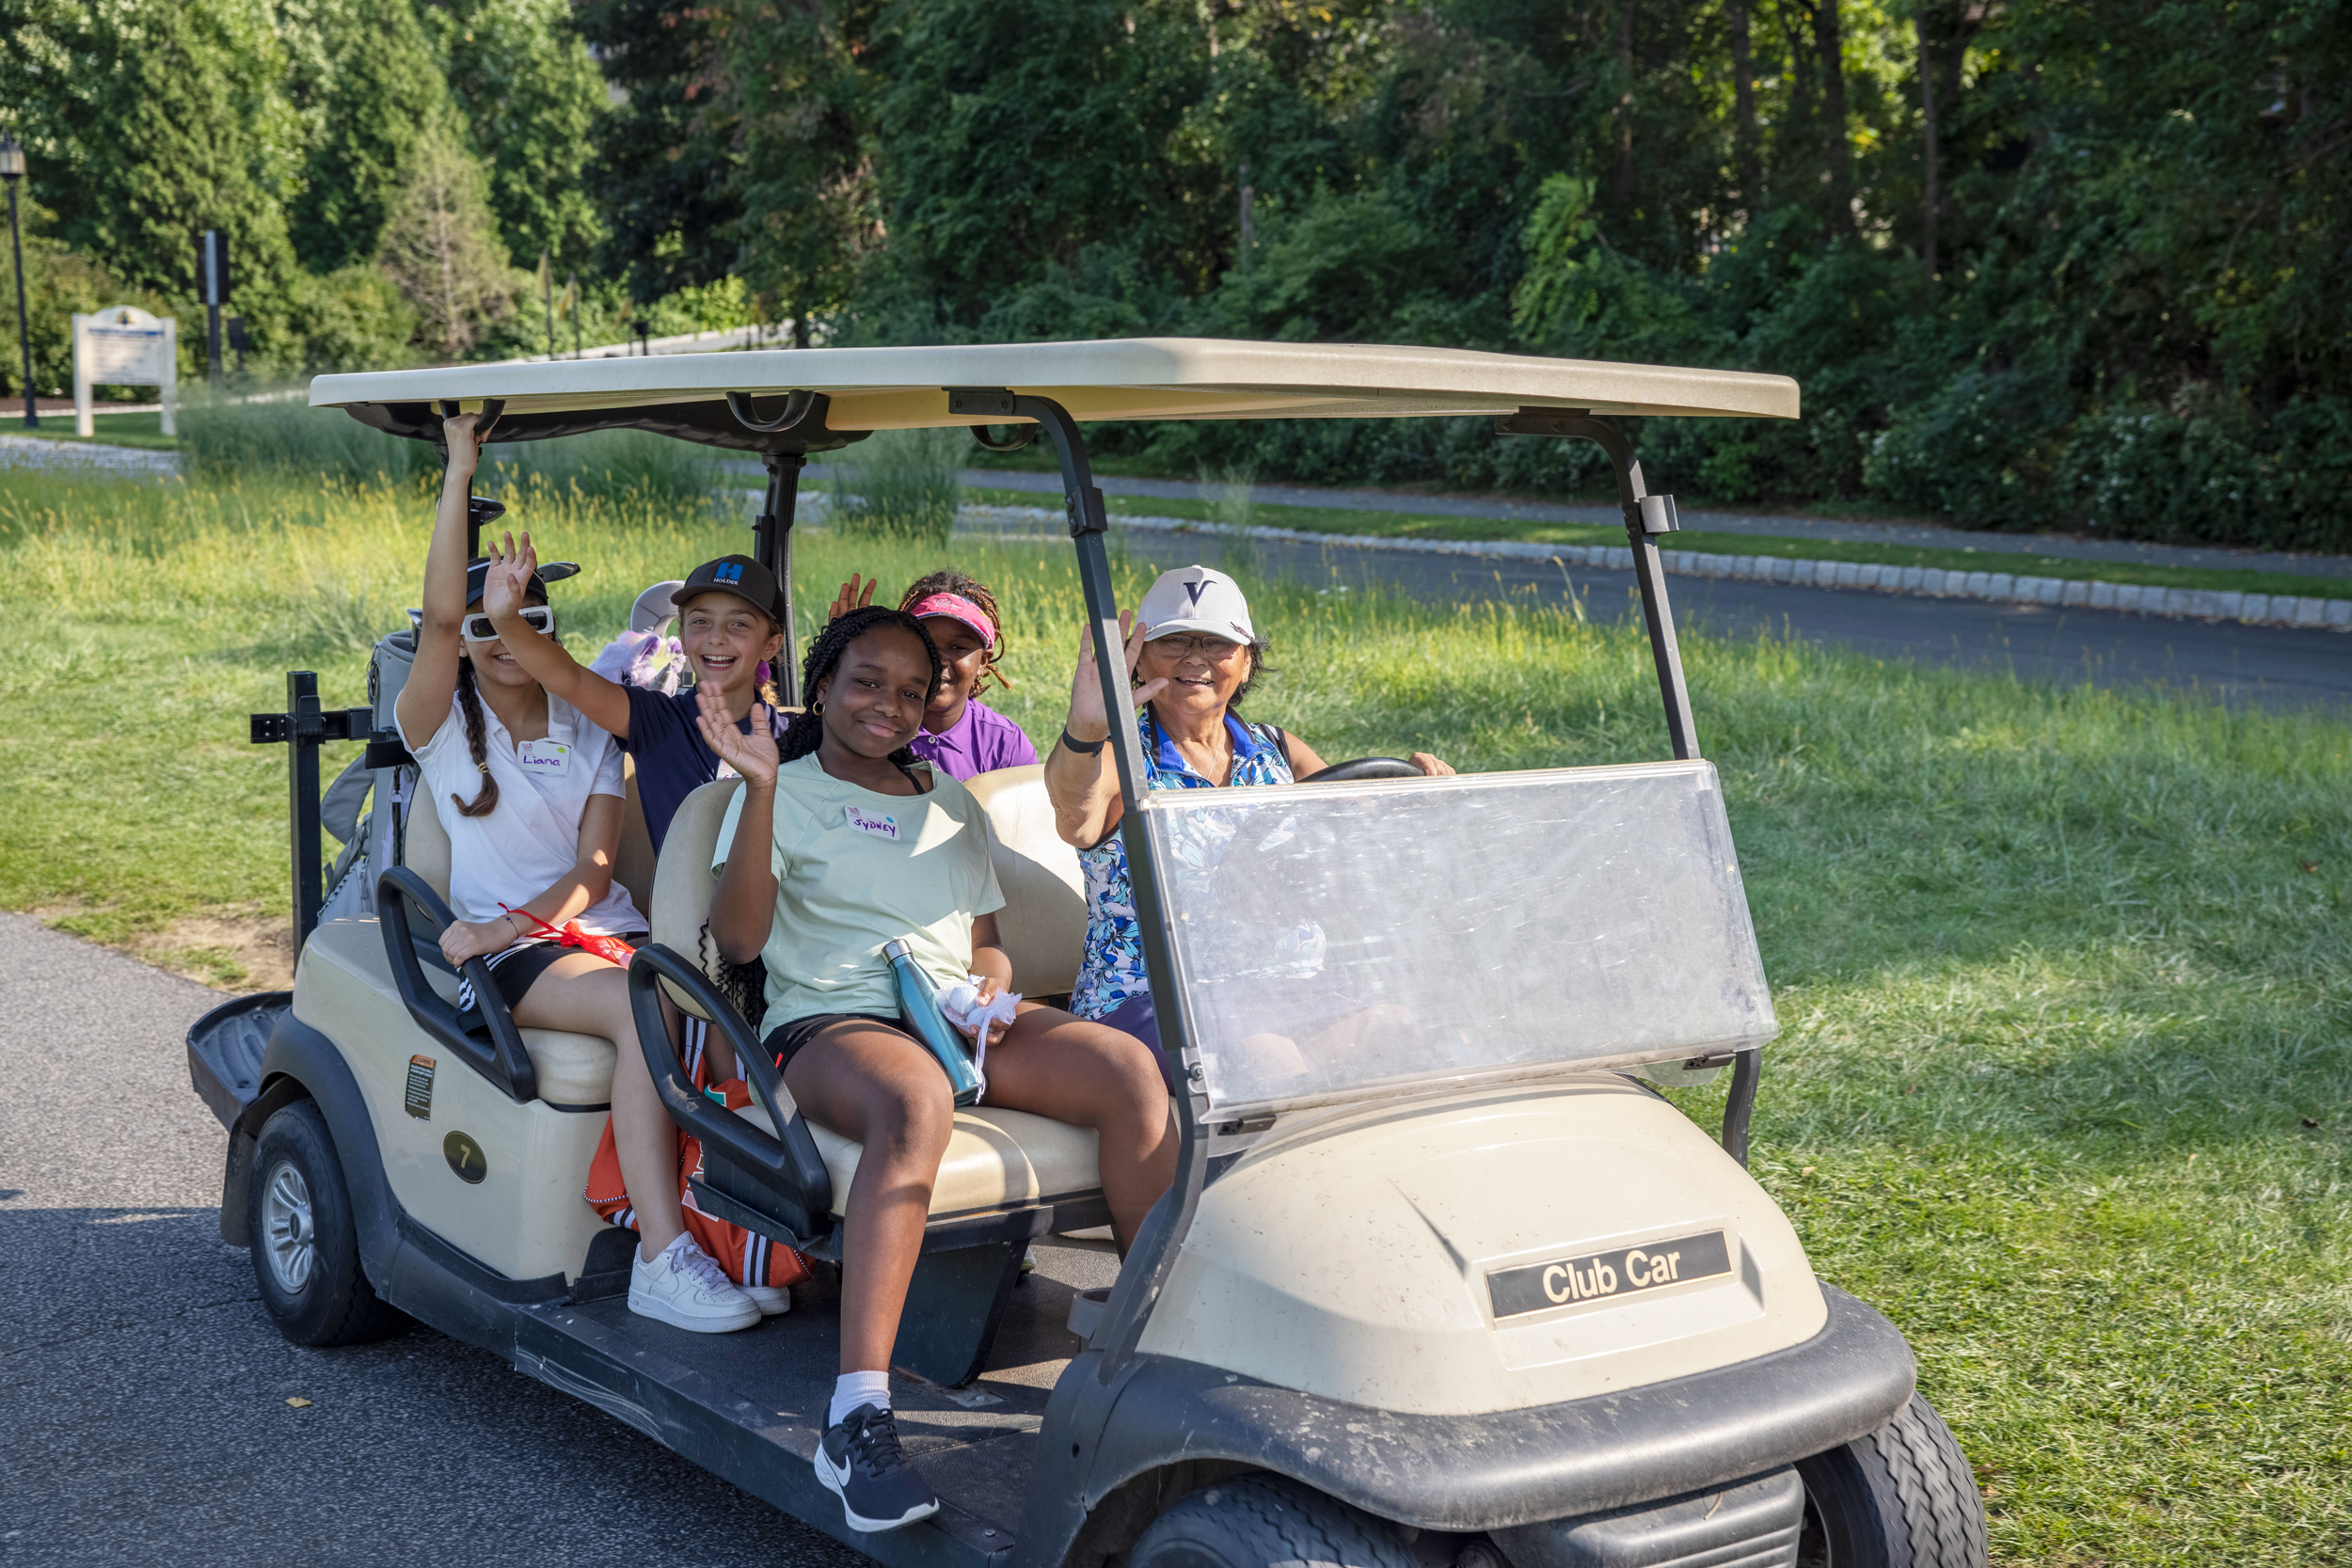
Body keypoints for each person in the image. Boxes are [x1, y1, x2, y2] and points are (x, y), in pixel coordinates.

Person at [699, 605, 1175, 1534]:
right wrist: (755, 792)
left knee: (1123, 1066)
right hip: (831, 1023)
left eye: (910, 690)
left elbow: (985, 947)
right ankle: (855, 1418)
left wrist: (987, 993)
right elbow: (742, 938)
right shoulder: (779, 789)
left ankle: (1154, 1352)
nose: (889, 703)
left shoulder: (947, 802)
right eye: (867, 680)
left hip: (949, 1016)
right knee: (916, 1096)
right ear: (825, 682)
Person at [395, 415, 761, 1337]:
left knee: (712, 1008)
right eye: (484, 627)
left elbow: (596, 866)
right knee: (645, 1001)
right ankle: (659, 1257)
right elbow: (445, 612)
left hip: (602, 929)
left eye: (522, 622)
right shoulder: (436, 723)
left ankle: (731, 1239)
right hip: (510, 953)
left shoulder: (587, 731)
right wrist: (461, 470)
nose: (500, 640)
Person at [482, 538, 813, 1309]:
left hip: (783, 947)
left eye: (739, 625)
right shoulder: (659, 723)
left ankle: (747, 1246)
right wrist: (507, 617)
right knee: (722, 1040)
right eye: (700, 623)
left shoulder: (800, 737)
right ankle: (690, 1249)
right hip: (703, 956)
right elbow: (560, 674)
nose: (717, 641)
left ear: (771, 642)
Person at [1042, 564, 1454, 1078]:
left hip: (1283, 987)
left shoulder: (1278, 750)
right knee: (1266, 1059)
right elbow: (1073, 814)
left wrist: (1420, 794)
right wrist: (1084, 731)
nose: (1196, 659)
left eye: (1216, 643)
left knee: (1396, 1028)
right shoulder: (1116, 755)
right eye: (1175, 642)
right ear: (1140, 657)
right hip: (1153, 995)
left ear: (1246, 659)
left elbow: (1357, 823)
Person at [826, 570, 1037, 780]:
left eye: (957, 647)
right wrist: (847, 657)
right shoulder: (872, 720)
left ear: (983, 661)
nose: (939, 659)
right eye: (926, 643)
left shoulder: (1005, 745)